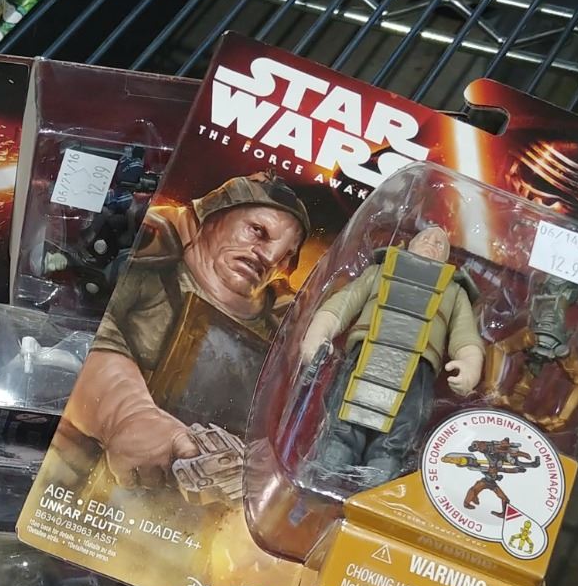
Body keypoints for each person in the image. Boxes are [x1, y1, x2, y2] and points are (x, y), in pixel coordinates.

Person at [54, 176, 310, 491]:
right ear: (212, 217)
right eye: (258, 231)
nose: (270, 258)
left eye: (286, 254)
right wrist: (130, 415)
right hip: (82, 474)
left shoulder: (285, 333)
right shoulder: (146, 268)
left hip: (203, 502)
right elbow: (89, 337)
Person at [298, 224, 483, 490]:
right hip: (365, 357)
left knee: (396, 437)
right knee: (343, 424)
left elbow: (466, 335)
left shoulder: (454, 292)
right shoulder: (379, 271)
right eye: (426, 237)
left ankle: (376, 488)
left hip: (417, 371)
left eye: (440, 243)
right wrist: (318, 334)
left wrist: (469, 365)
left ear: (447, 257)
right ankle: (326, 475)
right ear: (410, 244)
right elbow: (341, 305)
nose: (432, 242)